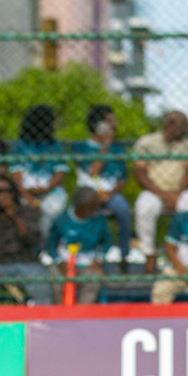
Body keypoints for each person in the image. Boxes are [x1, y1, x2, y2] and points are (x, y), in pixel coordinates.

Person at [132, 109, 188, 273]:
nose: (185, 131)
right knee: (144, 207)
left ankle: (185, 257)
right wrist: (161, 194)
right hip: (154, 190)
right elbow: (140, 173)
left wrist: (176, 194)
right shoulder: (147, 142)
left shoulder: (187, 145)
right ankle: (149, 255)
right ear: (170, 125)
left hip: (180, 192)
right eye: (182, 126)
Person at [76, 104, 134, 265]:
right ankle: (85, 256)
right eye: (110, 122)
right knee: (88, 209)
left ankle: (124, 255)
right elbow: (93, 170)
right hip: (88, 192)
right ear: (98, 125)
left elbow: (123, 179)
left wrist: (110, 193)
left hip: (110, 194)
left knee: (122, 209)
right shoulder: (82, 147)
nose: (114, 125)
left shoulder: (119, 149)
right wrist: (105, 146)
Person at [43, 186, 112, 304]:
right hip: (63, 262)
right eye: (93, 204)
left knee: (93, 280)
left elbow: (107, 242)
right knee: (57, 282)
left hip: (88, 262)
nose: (96, 207)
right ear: (81, 205)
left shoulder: (99, 220)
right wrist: (60, 262)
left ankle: (83, 315)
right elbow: (50, 245)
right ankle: (59, 315)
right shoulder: (62, 220)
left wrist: (98, 259)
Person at [11, 104, 68, 238]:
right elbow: (16, 174)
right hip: (25, 192)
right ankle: (30, 248)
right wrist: (26, 195)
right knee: (25, 210)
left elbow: (60, 172)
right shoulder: (20, 145)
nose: (53, 126)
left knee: (53, 209)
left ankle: (47, 246)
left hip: (50, 191)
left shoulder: (55, 145)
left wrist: (46, 189)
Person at [0, 178, 47, 304]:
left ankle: (45, 319)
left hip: (25, 261)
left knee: (40, 283)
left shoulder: (25, 211)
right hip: (0, 263)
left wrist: (14, 216)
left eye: (7, 191)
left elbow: (34, 240)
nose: (4, 195)